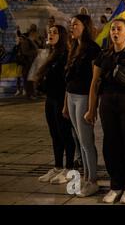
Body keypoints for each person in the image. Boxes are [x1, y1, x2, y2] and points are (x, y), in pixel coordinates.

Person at [85, 18, 125, 204]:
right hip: (108, 102)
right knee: (111, 145)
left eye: (119, 29)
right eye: (113, 29)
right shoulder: (103, 56)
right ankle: (116, 185)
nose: (115, 32)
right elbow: (94, 84)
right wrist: (91, 109)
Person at [63, 14, 101, 197]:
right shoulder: (74, 47)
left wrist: (92, 108)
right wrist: (65, 104)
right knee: (79, 140)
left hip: (84, 97)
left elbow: (95, 81)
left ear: (85, 27)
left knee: (86, 141)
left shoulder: (93, 49)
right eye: (71, 24)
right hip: (71, 95)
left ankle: (92, 180)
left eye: (75, 24)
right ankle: (86, 178)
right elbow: (68, 79)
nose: (72, 27)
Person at [36, 25, 76, 184]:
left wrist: (66, 104)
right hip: (50, 98)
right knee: (54, 134)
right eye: (49, 32)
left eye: (55, 33)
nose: (51, 34)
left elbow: (66, 81)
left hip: (61, 99)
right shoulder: (51, 53)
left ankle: (69, 168)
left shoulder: (66, 54)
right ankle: (58, 166)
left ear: (62, 36)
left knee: (65, 133)